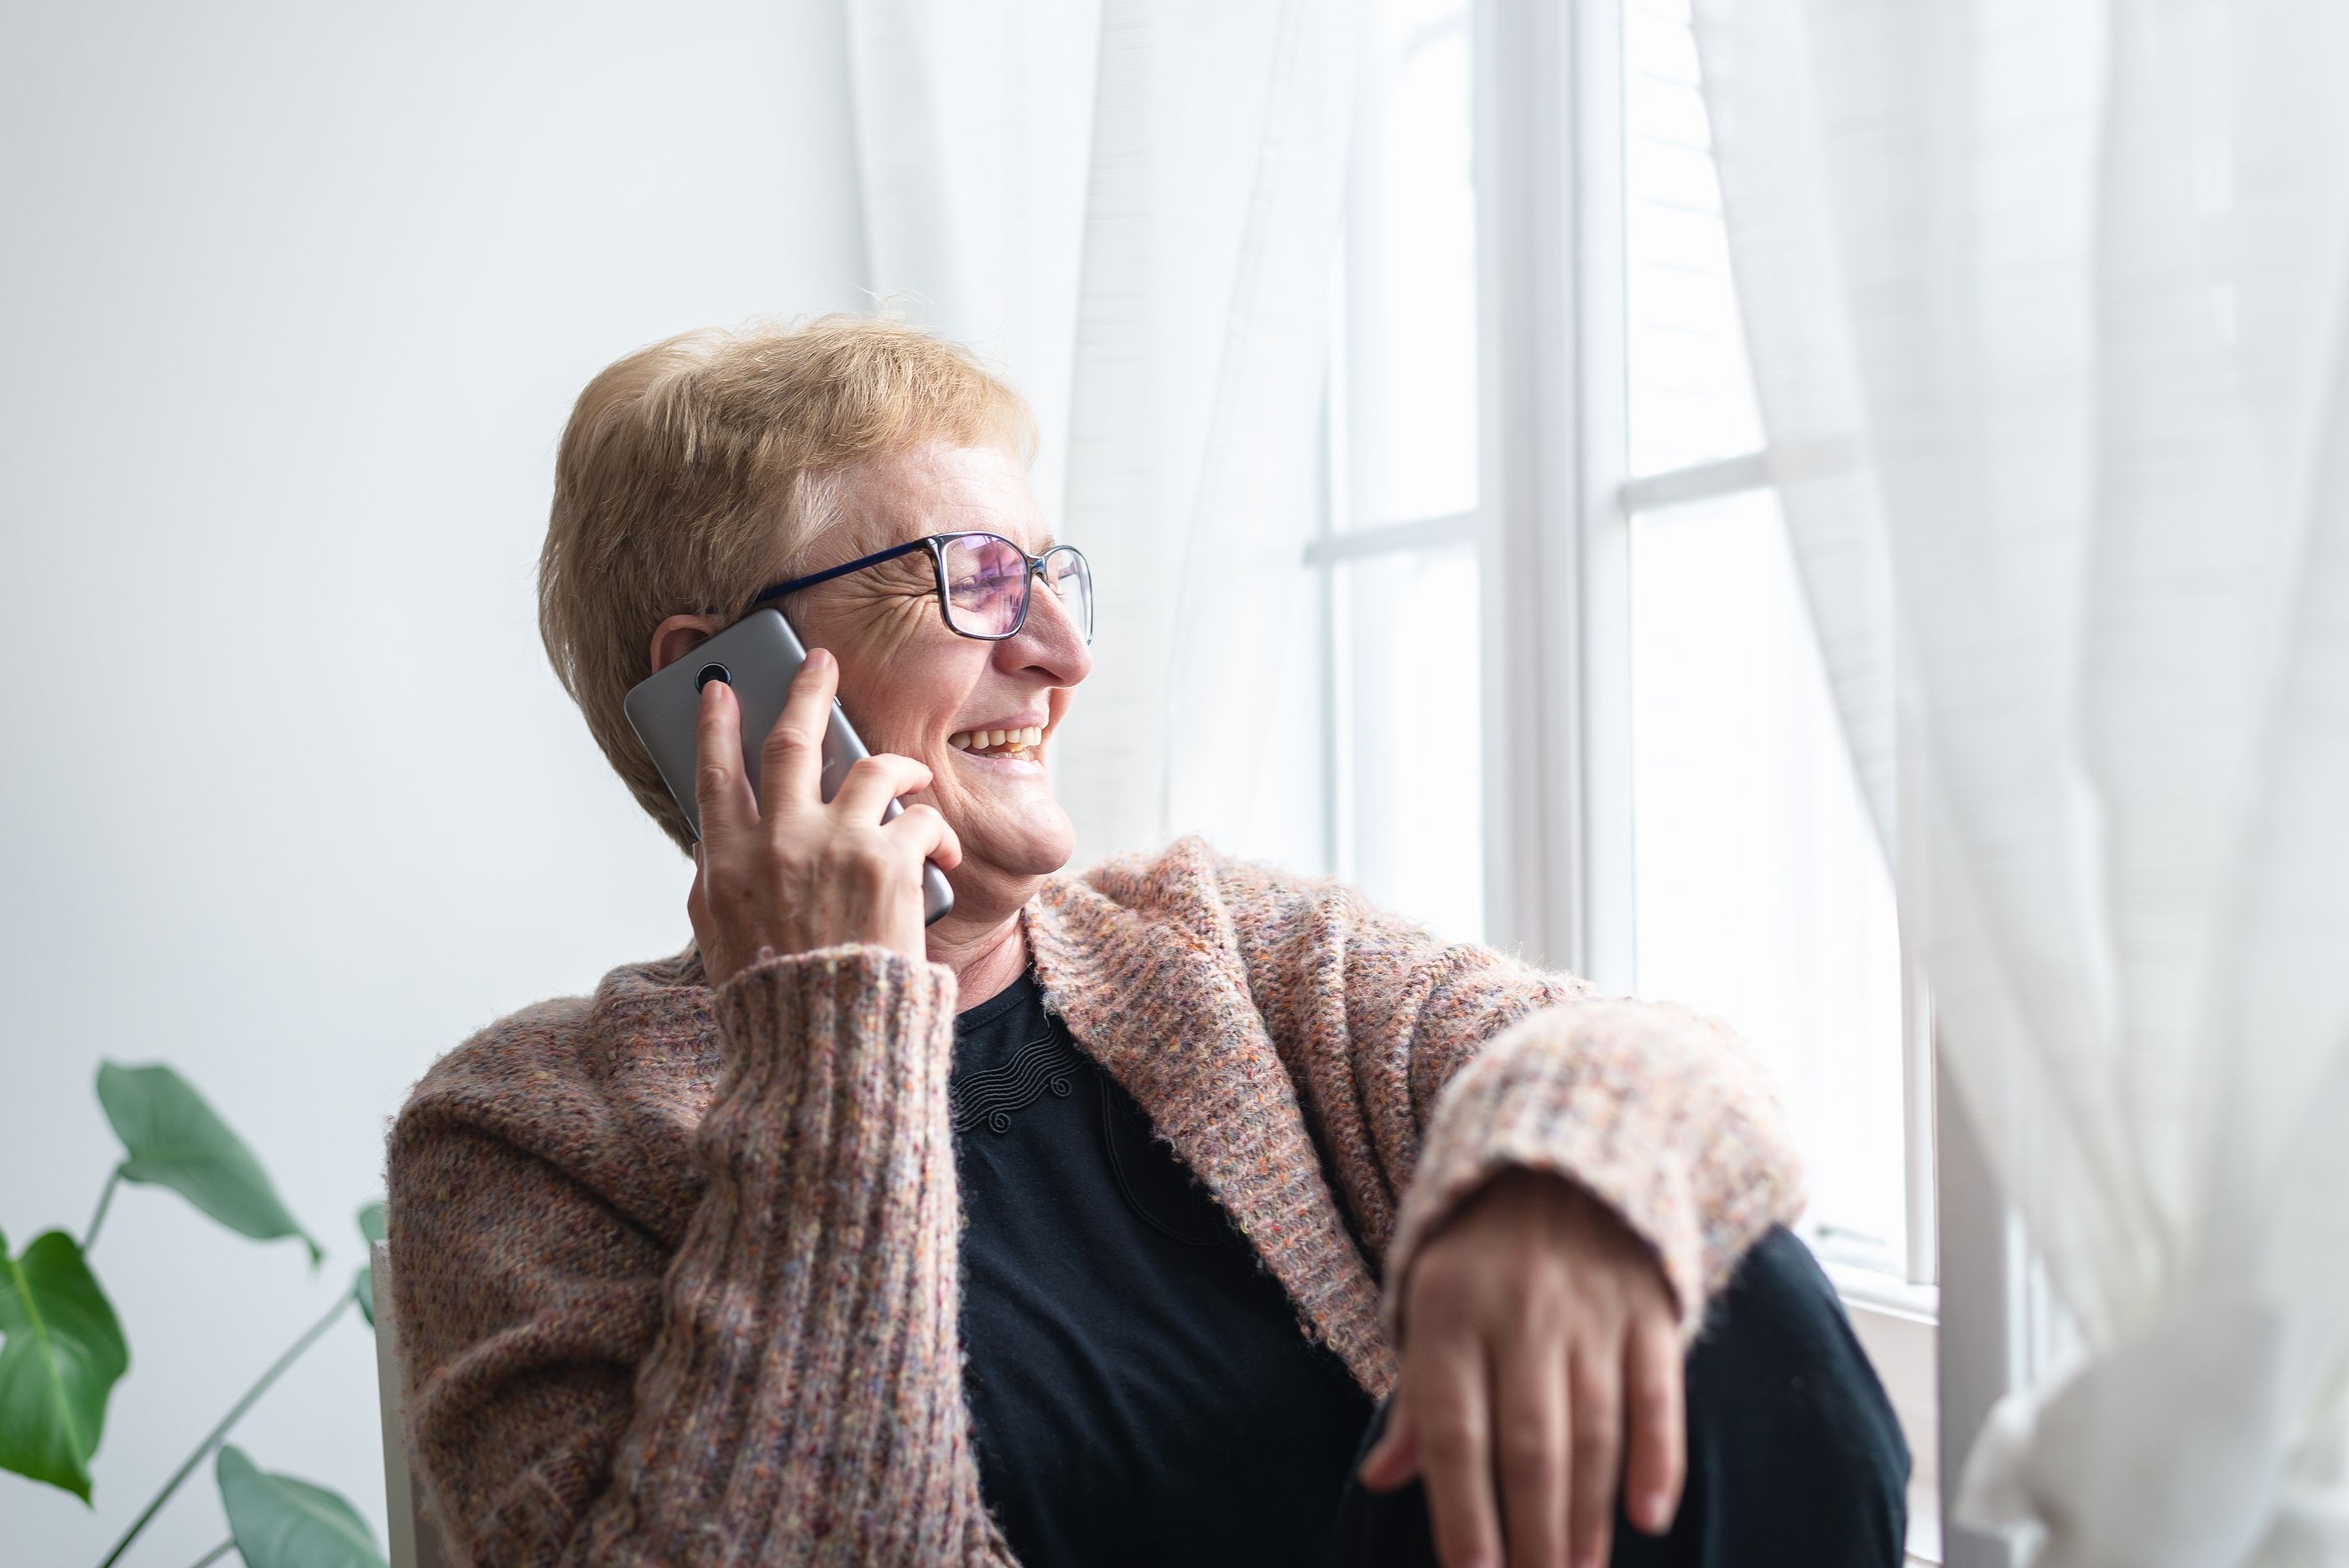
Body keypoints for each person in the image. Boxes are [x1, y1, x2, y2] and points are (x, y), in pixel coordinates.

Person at [385, 316, 1908, 1568]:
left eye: (1053, 573)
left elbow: (1659, 1063)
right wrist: (836, 1022)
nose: (1061, 651)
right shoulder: (521, 1142)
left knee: (1722, 1285)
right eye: (977, 578)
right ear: (728, 688)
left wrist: (1553, 1181)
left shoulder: (1209, 944)